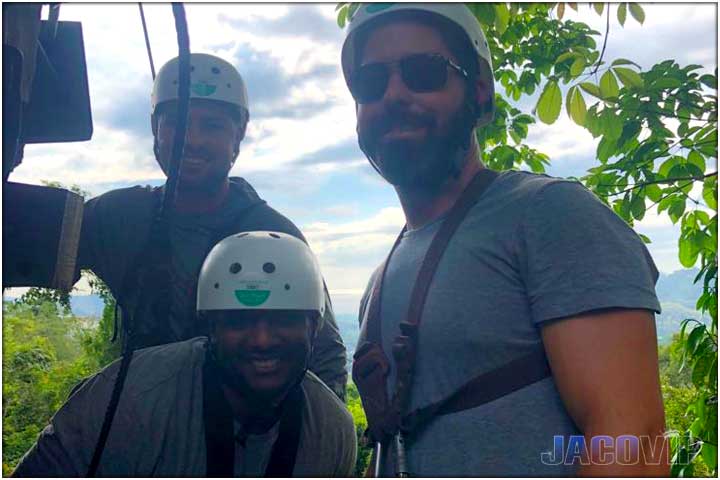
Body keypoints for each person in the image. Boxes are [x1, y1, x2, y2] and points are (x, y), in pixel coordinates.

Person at [341, 4, 668, 476]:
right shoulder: (381, 277)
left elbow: (633, 446)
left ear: (480, 94)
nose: (393, 94)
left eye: (423, 72)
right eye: (370, 83)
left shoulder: (550, 216)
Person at [75, 53, 347, 399]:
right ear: (155, 129)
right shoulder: (118, 218)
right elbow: (32, 247)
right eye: (178, 123)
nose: (194, 140)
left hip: (242, 435)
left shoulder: (272, 233)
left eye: (213, 126)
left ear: (239, 136)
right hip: (142, 424)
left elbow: (323, 354)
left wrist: (307, 440)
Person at [13, 231, 357, 477]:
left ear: (314, 327)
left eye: (284, 318)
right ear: (211, 328)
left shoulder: (330, 432)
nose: (262, 339)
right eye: (239, 320)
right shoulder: (127, 401)